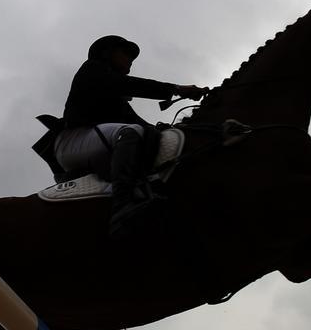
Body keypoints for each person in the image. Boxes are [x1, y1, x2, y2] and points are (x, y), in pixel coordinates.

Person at [33, 35, 206, 236]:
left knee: (147, 133)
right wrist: (176, 89)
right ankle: (123, 204)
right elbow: (130, 88)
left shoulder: (116, 99)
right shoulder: (92, 69)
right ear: (106, 53)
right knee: (131, 132)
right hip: (72, 143)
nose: (130, 59)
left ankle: (142, 188)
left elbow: (142, 125)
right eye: (125, 53)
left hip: (92, 141)